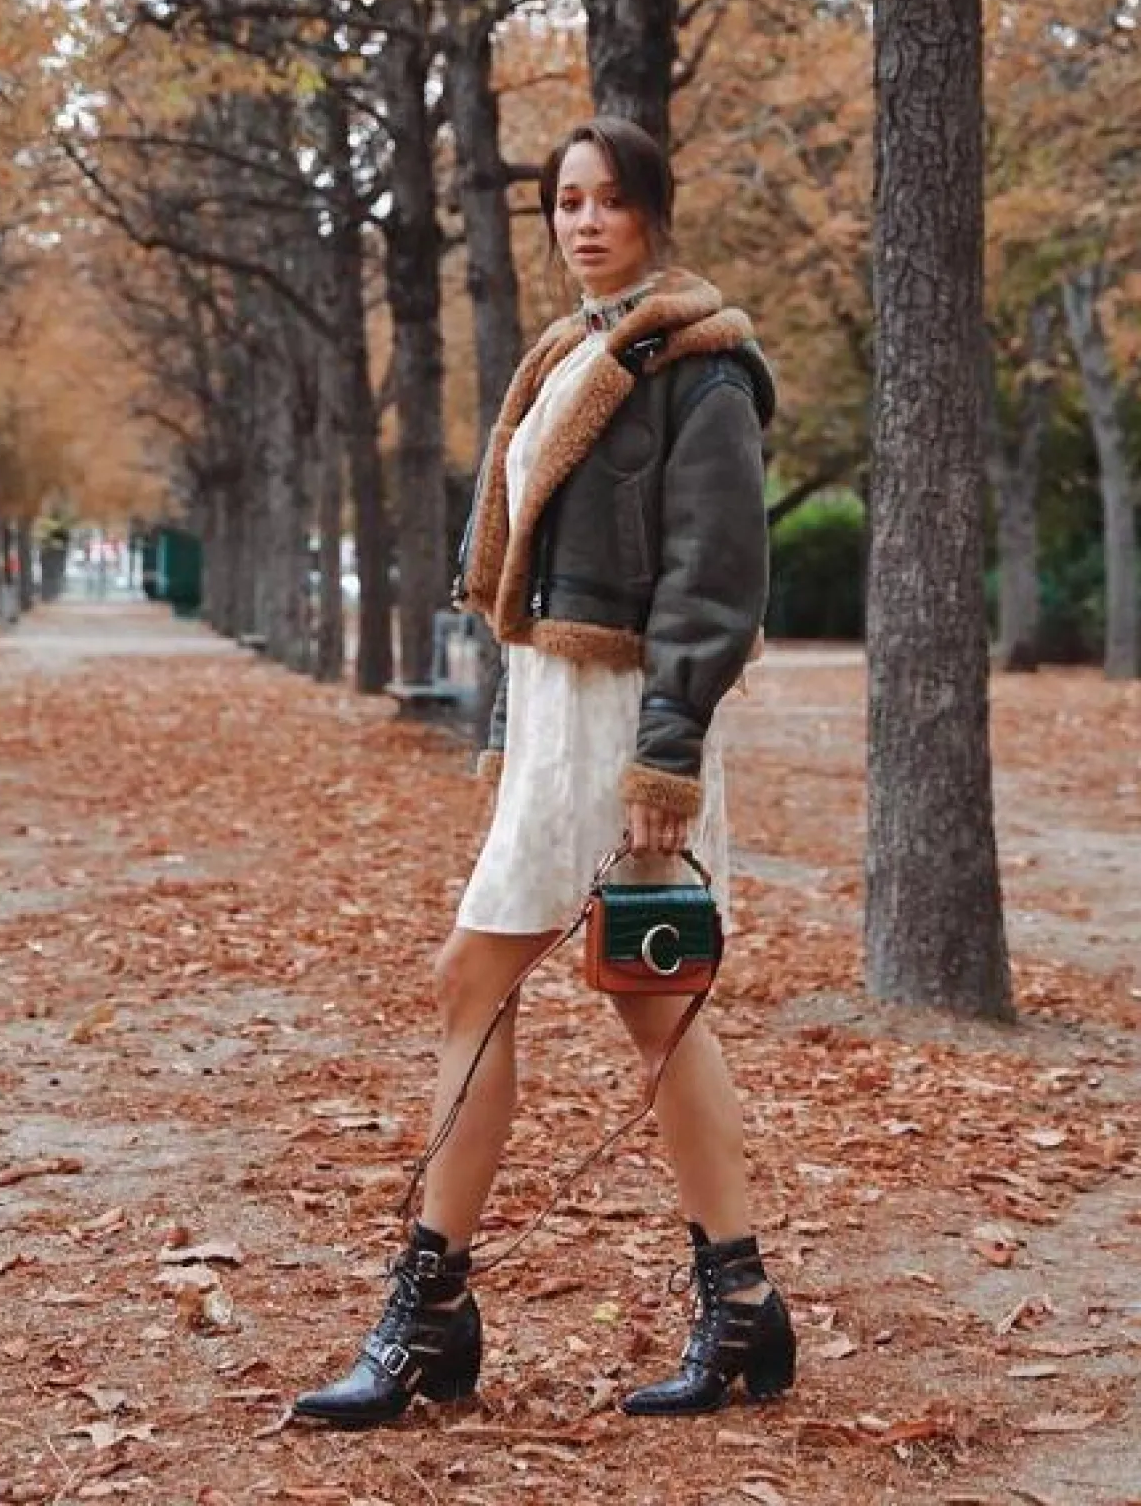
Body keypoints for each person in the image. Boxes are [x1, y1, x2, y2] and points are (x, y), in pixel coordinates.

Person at [294, 115, 794, 1430]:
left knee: (554, 988)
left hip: (629, 728)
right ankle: (731, 1303)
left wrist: (665, 765)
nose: (584, 221)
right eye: (567, 201)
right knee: (634, 1002)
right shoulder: (573, 351)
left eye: (609, 199)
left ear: (653, 212)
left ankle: (433, 1313)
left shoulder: (702, 369)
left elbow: (716, 584)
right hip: (558, 718)